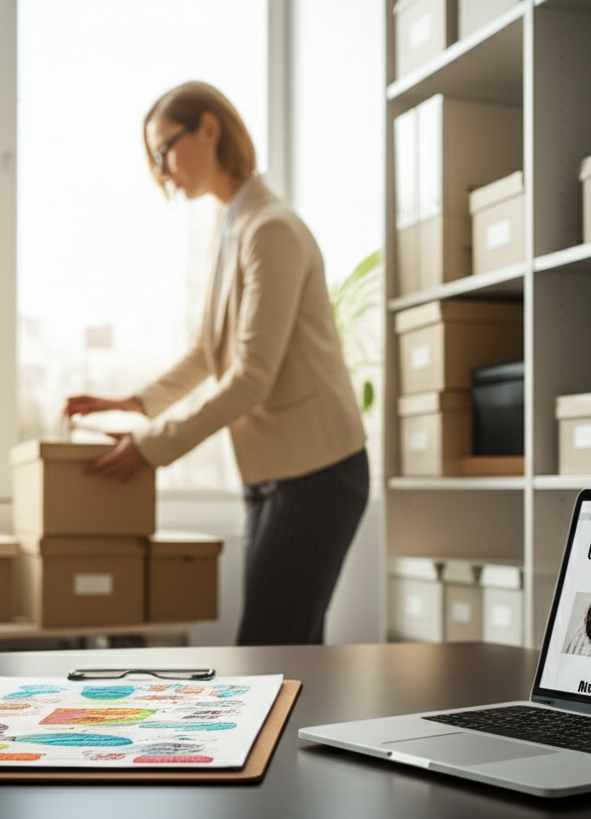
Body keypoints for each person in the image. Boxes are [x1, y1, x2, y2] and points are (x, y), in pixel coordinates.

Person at [64, 82, 368, 645]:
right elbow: (209, 350)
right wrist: (135, 404)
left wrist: (151, 446)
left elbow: (251, 379)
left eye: (164, 150)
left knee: (271, 648)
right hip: (276, 472)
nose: (162, 171)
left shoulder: (270, 229)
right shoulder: (232, 225)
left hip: (318, 472)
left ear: (208, 128)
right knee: (285, 650)